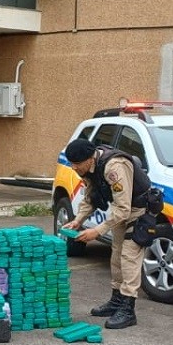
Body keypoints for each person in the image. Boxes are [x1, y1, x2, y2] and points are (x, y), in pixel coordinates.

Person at [61, 138, 149, 329]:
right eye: (71, 163)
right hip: (120, 213)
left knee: (129, 258)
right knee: (116, 256)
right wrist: (78, 220)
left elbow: (124, 209)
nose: (74, 168)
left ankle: (128, 310)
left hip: (137, 212)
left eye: (77, 163)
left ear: (89, 159)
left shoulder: (114, 167)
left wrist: (97, 231)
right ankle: (116, 301)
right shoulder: (89, 168)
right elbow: (90, 198)